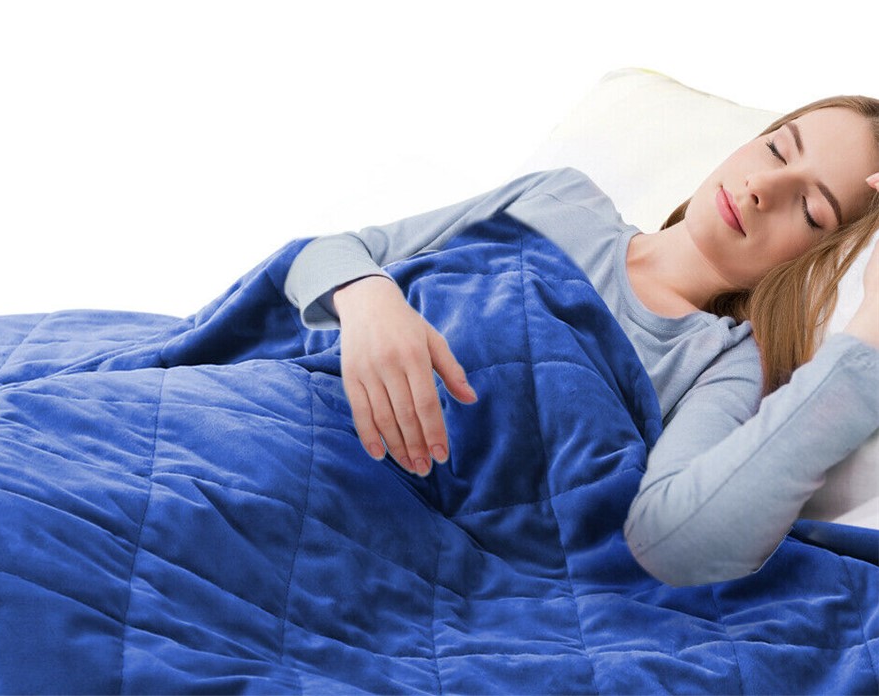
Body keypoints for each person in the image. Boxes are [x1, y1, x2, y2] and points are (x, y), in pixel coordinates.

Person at [283, 96, 879, 586]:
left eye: (810, 210)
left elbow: (681, 538)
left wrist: (872, 324)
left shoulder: (722, 361)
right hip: (293, 424)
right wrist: (369, 299)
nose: (763, 186)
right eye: (777, 148)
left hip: (385, 539)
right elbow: (326, 255)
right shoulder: (560, 199)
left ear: (825, 262)